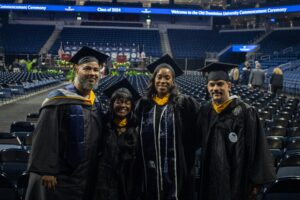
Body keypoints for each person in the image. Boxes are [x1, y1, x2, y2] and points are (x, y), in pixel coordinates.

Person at [25, 46, 109, 200]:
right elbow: (45, 135)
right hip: (61, 175)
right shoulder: (58, 99)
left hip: (85, 173)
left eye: (96, 70)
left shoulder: (94, 101)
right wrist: (47, 170)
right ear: (76, 69)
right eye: (87, 68)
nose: (92, 73)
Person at [196, 62, 276, 200]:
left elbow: (257, 147)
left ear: (229, 86)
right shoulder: (206, 111)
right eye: (212, 84)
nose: (216, 88)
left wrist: (256, 181)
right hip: (210, 177)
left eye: (220, 84)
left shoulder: (245, 112)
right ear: (207, 87)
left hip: (236, 178)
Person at [134, 54, 200, 200]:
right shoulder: (144, 105)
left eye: (167, 77)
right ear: (153, 79)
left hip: (176, 168)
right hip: (148, 167)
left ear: (173, 81)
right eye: (159, 77)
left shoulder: (184, 104)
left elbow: (195, 135)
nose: (162, 81)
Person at [94, 78, 140, 200]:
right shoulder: (102, 125)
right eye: (119, 102)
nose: (123, 106)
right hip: (103, 181)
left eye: (127, 103)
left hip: (127, 181)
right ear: (112, 103)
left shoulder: (136, 128)